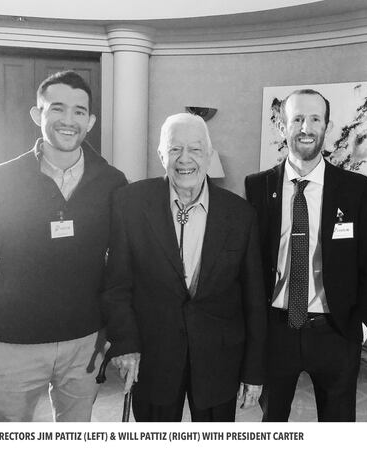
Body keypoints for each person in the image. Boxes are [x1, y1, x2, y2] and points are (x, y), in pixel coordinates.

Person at [0, 70, 128, 421]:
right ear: (38, 114)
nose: (69, 120)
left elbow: (120, 270)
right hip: (13, 344)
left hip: (84, 343)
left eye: (79, 111)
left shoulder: (112, 182)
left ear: (91, 120)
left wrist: (119, 335)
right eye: (57, 109)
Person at [102, 113, 266, 422]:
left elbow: (254, 300)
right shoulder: (129, 203)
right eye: (175, 149)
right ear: (161, 154)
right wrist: (125, 342)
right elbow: (117, 285)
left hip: (220, 359)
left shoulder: (241, 214)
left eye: (195, 149)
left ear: (209, 154)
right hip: (154, 358)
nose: (184, 159)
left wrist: (254, 370)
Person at [245, 88, 367, 422]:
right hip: (276, 331)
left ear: (327, 126)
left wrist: (361, 327)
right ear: (282, 126)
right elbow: (247, 266)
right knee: (273, 423)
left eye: (314, 119)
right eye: (297, 119)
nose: (305, 127)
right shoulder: (257, 187)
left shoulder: (356, 189)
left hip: (335, 331)